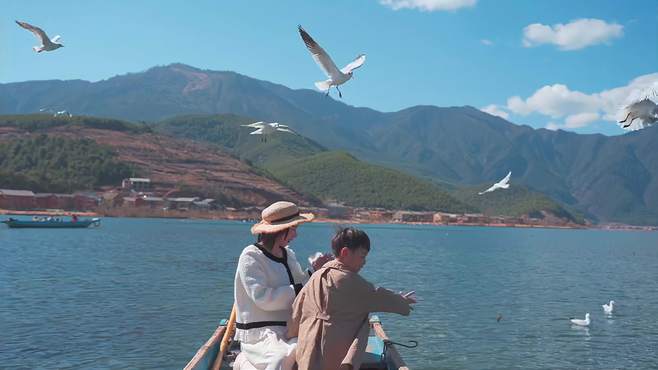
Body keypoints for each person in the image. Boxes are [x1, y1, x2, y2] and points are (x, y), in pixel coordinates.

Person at [288, 227, 416, 370]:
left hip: (306, 349)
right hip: (330, 355)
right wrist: (403, 303)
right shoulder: (349, 280)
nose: (364, 262)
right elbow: (379, 296)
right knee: (363, 316)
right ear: (345, 253)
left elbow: (297, 310)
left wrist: (292, 335)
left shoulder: (316, 276)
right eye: (362, 256)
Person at [233, 201, 331, 370]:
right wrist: (306, 285)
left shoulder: (288, 254)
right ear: (279, 230)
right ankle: (242, 361)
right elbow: (264, 299)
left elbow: (300, 283)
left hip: (289, 329)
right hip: (261, 334)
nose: (295, 235)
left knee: (314, 349)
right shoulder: (250, 256)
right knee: (280, 358)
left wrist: (314, 271)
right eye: (293, 229)